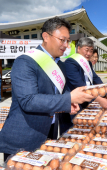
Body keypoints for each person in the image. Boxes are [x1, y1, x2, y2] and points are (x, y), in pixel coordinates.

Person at [0, 17, 94, 161]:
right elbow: (28, 100)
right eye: (62, 40)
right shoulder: (25, 61)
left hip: (49, 134)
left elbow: (59, 94)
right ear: (46, 37)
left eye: (68, 41)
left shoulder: (60, 65)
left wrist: (68, 105)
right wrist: (68, 98)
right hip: (23, 138)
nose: (66, 45)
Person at [65, 37, 107, 109]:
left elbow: (95, 78)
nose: (89, 53)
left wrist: (105, 93)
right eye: (86, 50)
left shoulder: (88, 63)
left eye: (91, 51)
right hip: (75, 104)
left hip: (89, 99)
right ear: (78, 48)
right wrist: (99, 99)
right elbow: (79, 85)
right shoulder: (71, 62)